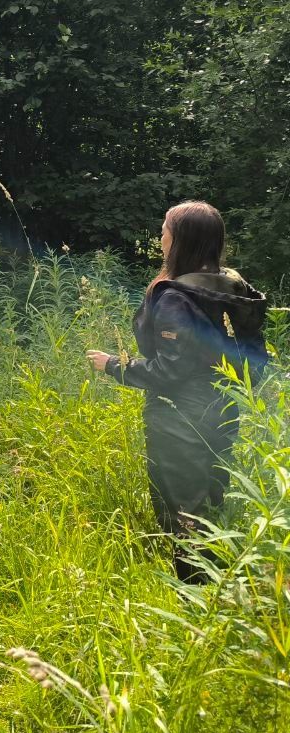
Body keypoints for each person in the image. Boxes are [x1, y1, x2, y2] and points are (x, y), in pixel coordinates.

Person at [86, 201, 268, 583]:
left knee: (183, 512)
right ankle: (221, 588)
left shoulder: (174, 297)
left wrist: (113, 366)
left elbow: (170, 370)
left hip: (180, 416)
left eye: (165, 228)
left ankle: (195, 602)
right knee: (213, 501)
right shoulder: (226, 285)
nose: (161, 234)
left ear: (180, 238)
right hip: (223, 406)